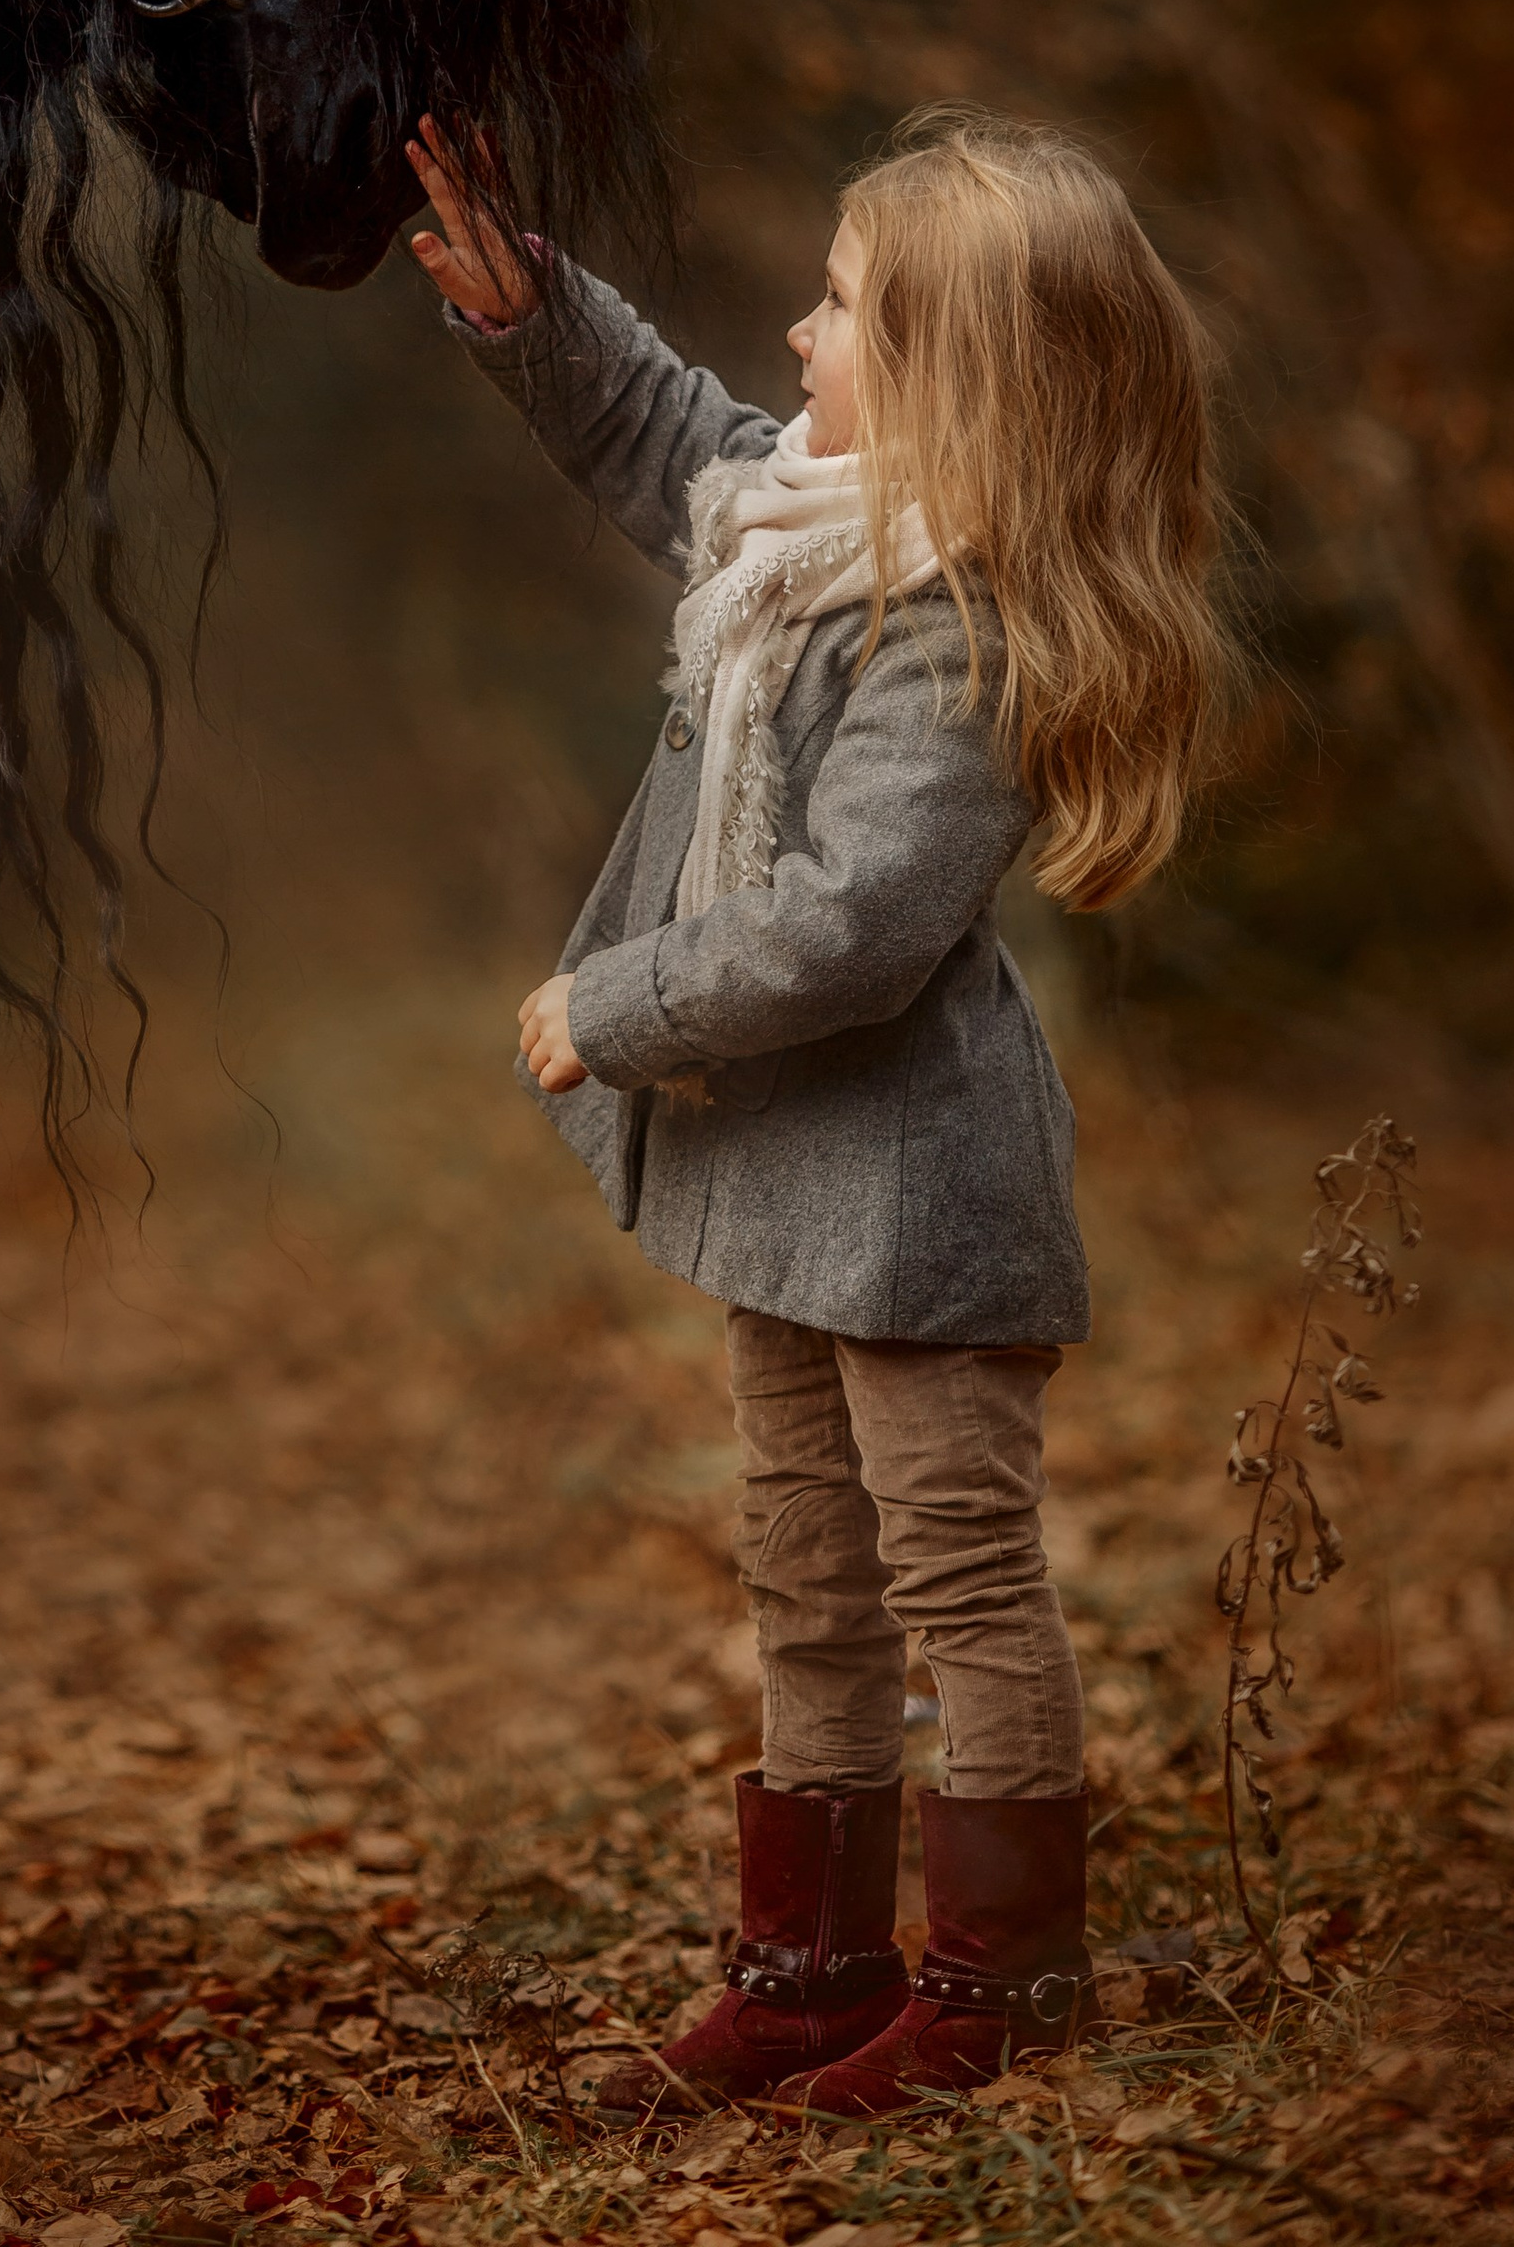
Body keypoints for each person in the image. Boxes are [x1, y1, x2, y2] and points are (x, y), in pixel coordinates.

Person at [405, 108, 1230, 2121]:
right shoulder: (808, 526)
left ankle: (998, 1988)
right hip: (781, 1174)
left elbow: (855, 922)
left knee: (953, 1573)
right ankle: (806, 1967)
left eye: (840, 308)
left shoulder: (953, 621)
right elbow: (656, 437)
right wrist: (533, 317)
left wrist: (613, 1002)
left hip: (915, 1189)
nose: (793, 338)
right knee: (805, 1564)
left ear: (951, 378)